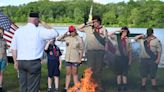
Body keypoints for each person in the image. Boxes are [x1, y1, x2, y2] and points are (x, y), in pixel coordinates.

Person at [11, 12, 58, 92]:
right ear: (37, 20)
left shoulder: (18, 31)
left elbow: (13, 48)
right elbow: (55, 33)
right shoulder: (39, 31)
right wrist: (43, 23)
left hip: (21, 62)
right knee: (33, 88)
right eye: (38, 21)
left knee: (23, 87)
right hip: (33, 62)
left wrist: (15, 61)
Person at [77, 16, 107, 85]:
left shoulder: (103, 29)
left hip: (100, 52)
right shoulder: (88, 28)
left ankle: (97, 85)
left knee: (98, 70)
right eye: (93, 22)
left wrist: (99, 32)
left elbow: (105, 38)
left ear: (99, 22)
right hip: (90, 52)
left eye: (96, 22)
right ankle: (88, 84)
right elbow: (78, 28)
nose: (94, 23)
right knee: (90, 69)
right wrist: (87, 23)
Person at [57, 25, 84, 91]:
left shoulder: (79, 38)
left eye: (72, 31)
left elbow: (81, 50)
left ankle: (76, 88)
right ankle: (66, 88)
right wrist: (65, 33)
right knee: (68, 73)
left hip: (75, 59)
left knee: (75, 74)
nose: (71, 32)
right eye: (70, 31)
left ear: (75, 30)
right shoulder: (67, 37)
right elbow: (58, 39)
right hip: (67, 59)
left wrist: (80, 59)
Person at [108, 27, 132, 92]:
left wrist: (130, 60)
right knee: (118, 73)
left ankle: (124, 87)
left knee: (124, 73)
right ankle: (118, 87)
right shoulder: (116, 38)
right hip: (118, 57)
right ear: (121, 32)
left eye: (126, 32)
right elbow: (109, 34)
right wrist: (117, 30)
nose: (125, 33)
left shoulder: (128, 40)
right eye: (123, 31)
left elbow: (129, 52)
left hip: (125, 58)